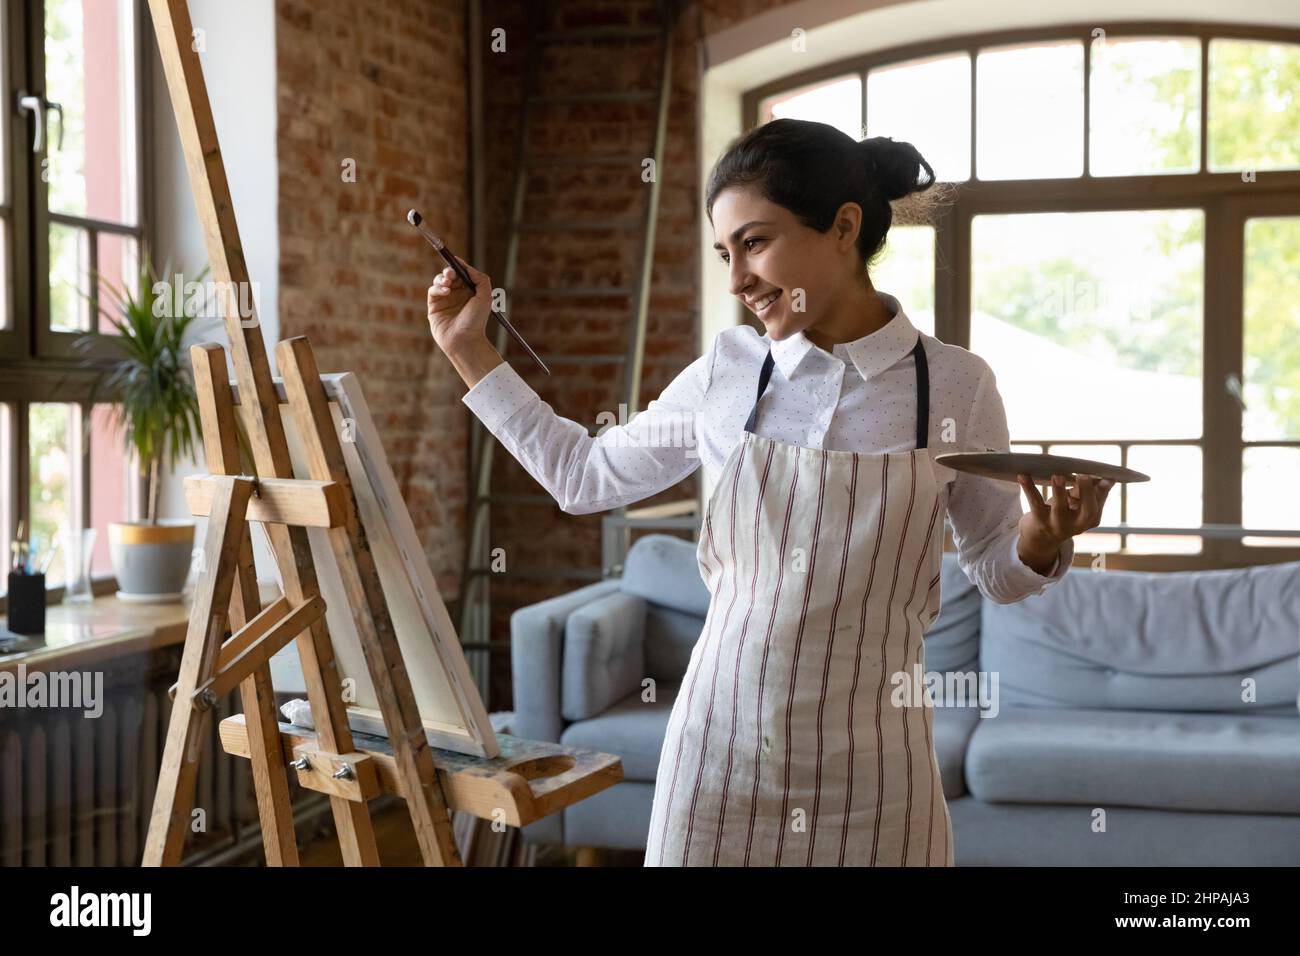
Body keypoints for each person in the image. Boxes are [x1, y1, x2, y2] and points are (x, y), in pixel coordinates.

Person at [427, 118, 1112, 866]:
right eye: (726, 253)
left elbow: (993, 568)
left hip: (879, 771)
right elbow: (584, 477)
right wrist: (469, 350)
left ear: (843, 227)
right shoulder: (728, 371)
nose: (735, 279)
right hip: (718, 754)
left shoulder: (952, 384)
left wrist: (1040, 543)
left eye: (754, 243)